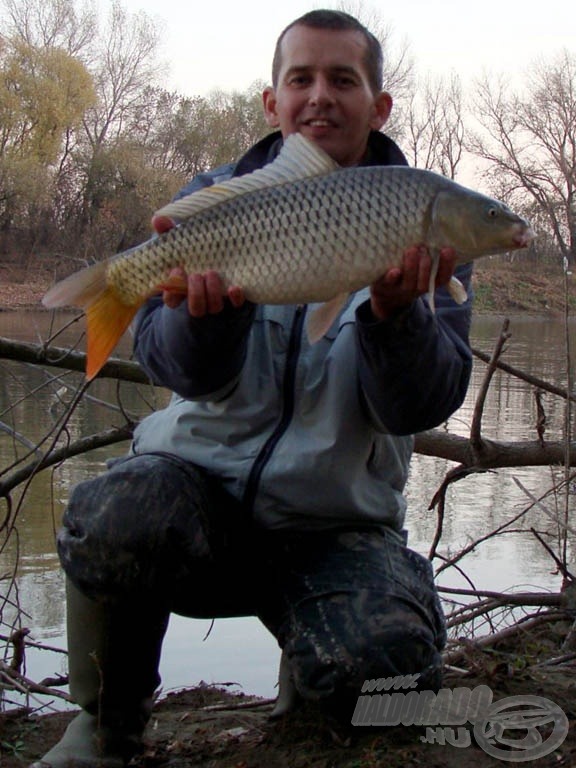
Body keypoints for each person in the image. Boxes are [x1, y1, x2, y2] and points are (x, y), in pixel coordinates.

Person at [31, 9, 473, 768]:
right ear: (273, 102)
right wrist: (205, 322)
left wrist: (396, 318)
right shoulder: (221, 196)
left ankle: (317, 673)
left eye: (345, 79)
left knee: (388, 667)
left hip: (337, 526)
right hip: (198, 503)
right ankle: (104, 727)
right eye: (300, 78)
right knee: (111, 510)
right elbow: (177, 370)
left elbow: (419, 407)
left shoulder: (424, 220)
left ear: (380, 105)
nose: (320, 96)